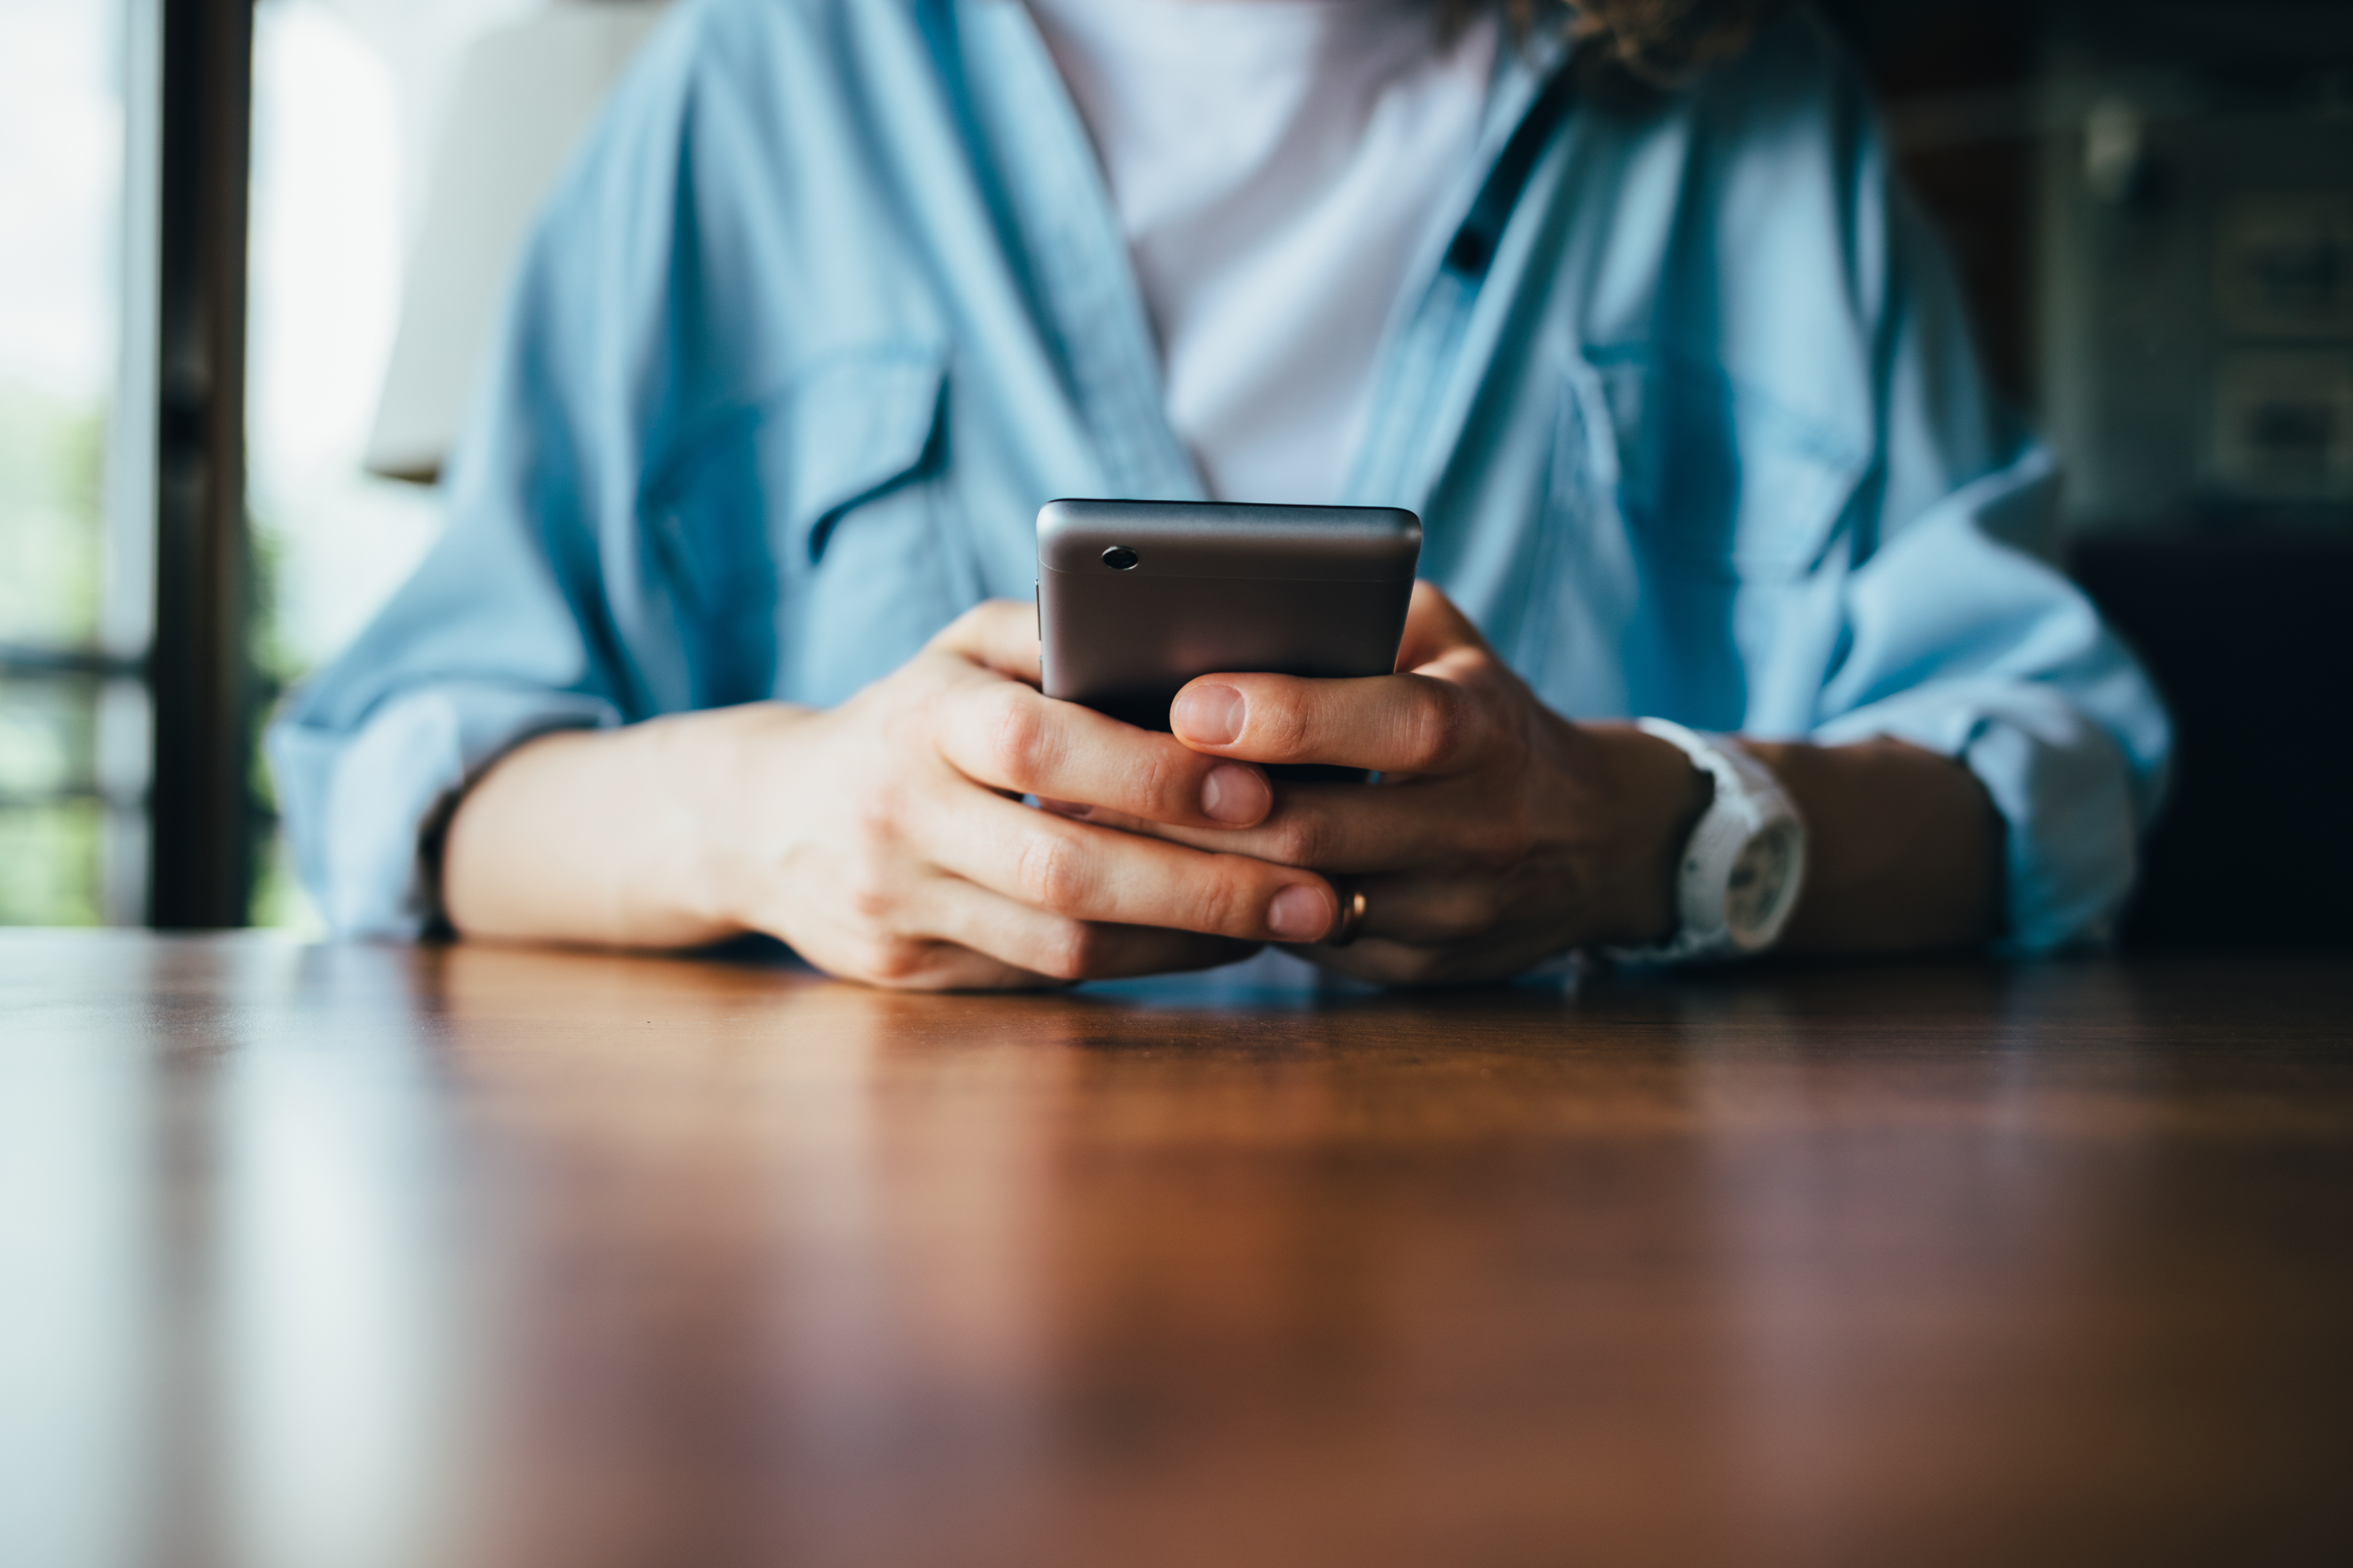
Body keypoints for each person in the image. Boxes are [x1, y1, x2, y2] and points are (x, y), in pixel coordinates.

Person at [268, 0, 2171, 990]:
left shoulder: (1759, 114)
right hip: (877, 1329)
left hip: (1601, 1312)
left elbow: (2048, 784)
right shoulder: (760, 82)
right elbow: (398, 793)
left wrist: (1653, 833)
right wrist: (769, 819)